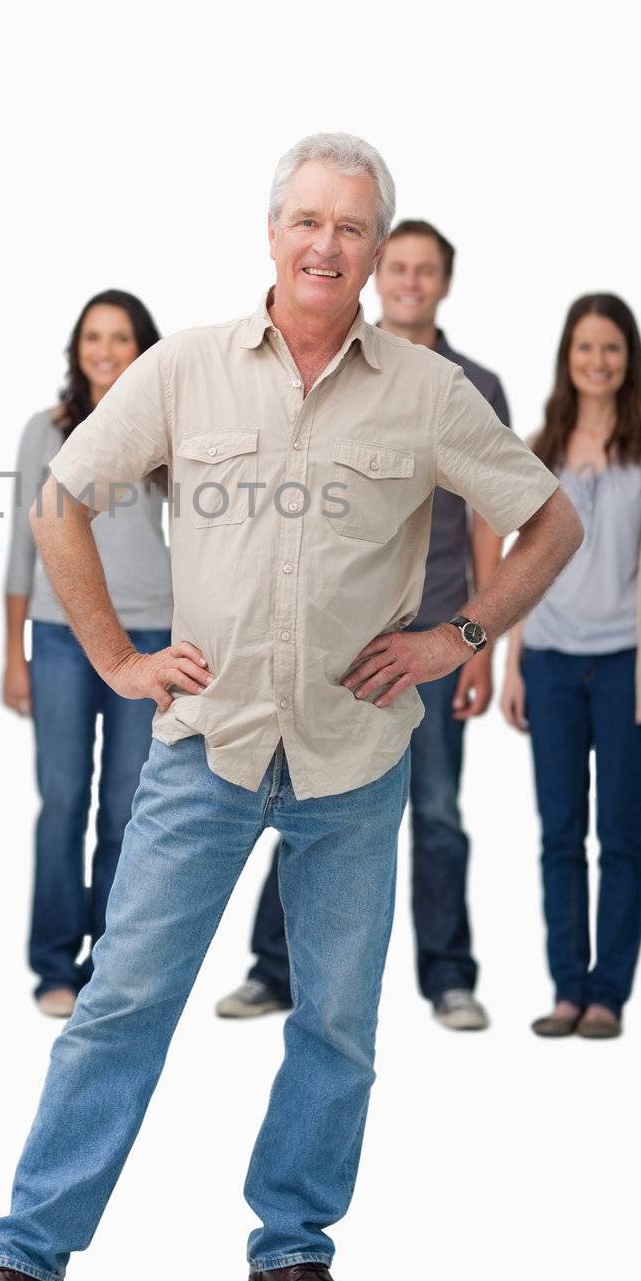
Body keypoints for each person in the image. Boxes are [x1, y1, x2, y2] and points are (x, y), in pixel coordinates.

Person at [0, 132, 579, 1281]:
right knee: (121, 1004)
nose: (325, 244)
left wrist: (456, 633)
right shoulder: (188, 366)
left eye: (349, 226)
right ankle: (27, 1256)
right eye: (306, 220)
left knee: (337, 1026)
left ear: (376, 248)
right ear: (270, 232)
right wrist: (114, 658)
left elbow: (548, 519)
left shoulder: (426, 391)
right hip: (206, 746)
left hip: (352, 760)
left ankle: (290, 1248)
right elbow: (60, 500)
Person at [217, 219, 508, 1031]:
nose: (411, 281)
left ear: (443, 282)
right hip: (337, 651)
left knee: (440, 812)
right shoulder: (338, 374)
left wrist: (473, 642)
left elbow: (495, 518)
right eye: (401, 267)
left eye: (427, 271)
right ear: (380, 273)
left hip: (435, 640)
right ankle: (273, 971)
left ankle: (449, 977)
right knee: (303, 799)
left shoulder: (474, 382)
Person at [4, 291, 173, 1018]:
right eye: (93, 338)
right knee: (63, 799)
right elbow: (22, 542)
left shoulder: (168, 431)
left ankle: (110, 962)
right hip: (59, 636)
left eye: (120, 338)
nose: (105, 351)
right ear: (77, 348)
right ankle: (52, 967)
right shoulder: (45, 432)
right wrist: (13, 654)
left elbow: (201, 536)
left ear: (142, 349)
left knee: (126, 808)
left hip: (149, 635)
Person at [501, 293, 641, 1040]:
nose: (597, 362)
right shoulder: (540, 449)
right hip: (552, 663)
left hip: (626, 664)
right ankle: (565, 989)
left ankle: (606, 995)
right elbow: (524, 565)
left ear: (629, 359)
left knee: (621, 834)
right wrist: (513, 664)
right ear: (567, 357)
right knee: (558, 833)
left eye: (612, 349)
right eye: (585, 348)